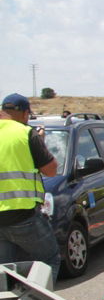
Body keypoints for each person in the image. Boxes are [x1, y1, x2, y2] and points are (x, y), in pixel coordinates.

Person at [0, 93, 62, 283]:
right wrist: (40, 141)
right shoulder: (26, 133)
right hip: (22, 215)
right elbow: (51, 170)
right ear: (25, 113)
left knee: (5, 271)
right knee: (48, 260)